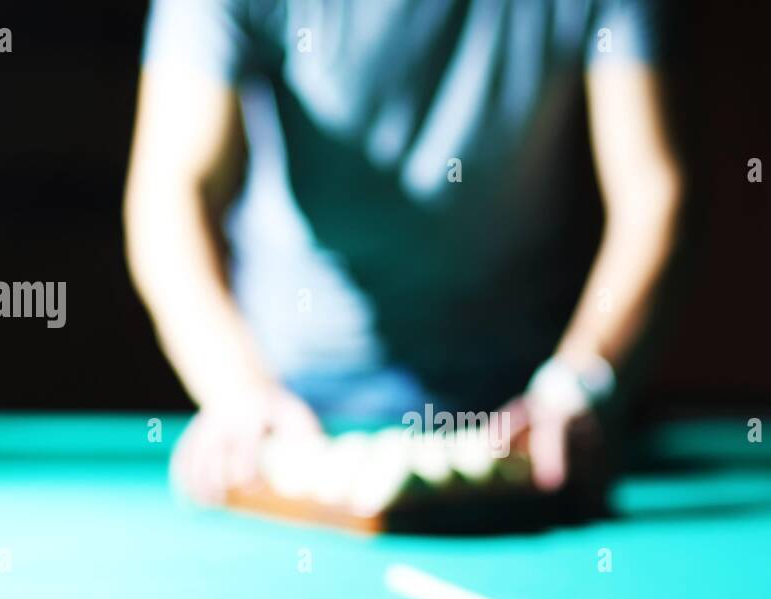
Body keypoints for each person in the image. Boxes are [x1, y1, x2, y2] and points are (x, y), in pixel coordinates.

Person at [124, 0, 683, 506]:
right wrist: (235, 386)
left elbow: (650, 193)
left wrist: (578, 379)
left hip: (518, 421)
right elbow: (171, 189)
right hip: (292, 417)